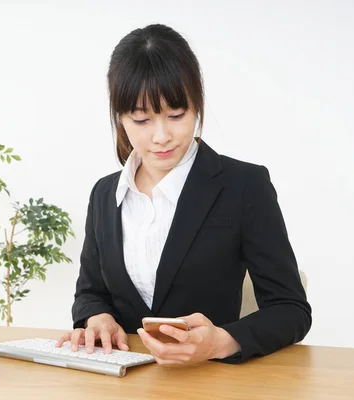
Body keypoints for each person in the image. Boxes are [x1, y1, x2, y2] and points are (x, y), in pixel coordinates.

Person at [56, 23, 311, 365]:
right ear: (121, 119)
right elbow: (91, 292)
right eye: (142, 120)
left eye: (176, 115)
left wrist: (222, 341)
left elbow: (290, 309)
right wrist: (97, 318)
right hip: (123, 382)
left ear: (197, 107)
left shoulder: (244, 185)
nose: (162, 136)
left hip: (211, 382)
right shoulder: (105, 194)